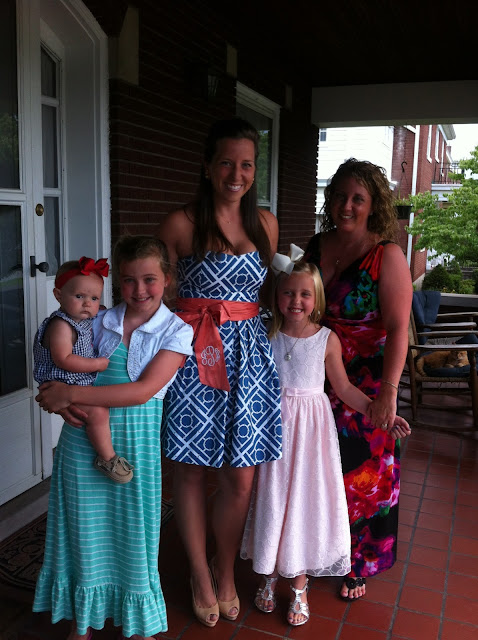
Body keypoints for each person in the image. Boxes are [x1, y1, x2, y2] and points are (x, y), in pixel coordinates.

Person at [33, 236, 194, 640]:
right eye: (128, 280)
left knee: (132, 531)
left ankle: (136, 623)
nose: (139, 290)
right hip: (81, 438)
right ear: (118, 283)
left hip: (134, 442)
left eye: (149, 279)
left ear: (167, 279)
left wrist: (70, 394)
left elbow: (141, 392)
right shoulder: (96, 319)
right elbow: (59, 362)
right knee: (83, 529)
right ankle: (82, 620)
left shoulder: (176, 331)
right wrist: (58, 397)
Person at [158, 117, 282, 627]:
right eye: (226, 163)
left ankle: (224, 569)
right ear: (207, 166)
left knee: (240, 477)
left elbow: (272, 294)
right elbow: (153, 298)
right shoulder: (181, 224)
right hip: (193, 358)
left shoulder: (266, 224)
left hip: (249, 360)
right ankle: (199, 574)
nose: (237, 174)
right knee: (189, 471)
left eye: (247, 164)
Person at [240, 258, 411, 625]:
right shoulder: (266, 334)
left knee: (302, 501)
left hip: (311, 435)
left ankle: (299, 584)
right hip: (272, 429)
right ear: (277, 295)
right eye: (288, 293)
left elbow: (345, 389)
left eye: (305, 294)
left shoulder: (326, 339)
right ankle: (269, 572)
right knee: (272, 497)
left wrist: (379, 413)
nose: (296, 301)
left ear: (316, 299)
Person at [304, 158, 413, 600]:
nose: (346, 205)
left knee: (361, 474)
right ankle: (316, 549)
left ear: (373, 205)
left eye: (358, 198)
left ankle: (357, 562)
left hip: (366, 380)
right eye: (340, 196)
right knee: (316, 469)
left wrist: (388, 392)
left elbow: (399, 328)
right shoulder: (316, 245)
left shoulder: (387, 255)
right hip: (314, 376)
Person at [33, 257, 134, 483]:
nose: (87, 304)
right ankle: (108, 459)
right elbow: (63, 359)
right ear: (58, 295)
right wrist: (96, 364)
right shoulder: (61, 325)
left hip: (73, 382)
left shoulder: (80, 319)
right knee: (98, 413)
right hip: (62, 381)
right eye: (79, 296)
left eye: (94, 298)